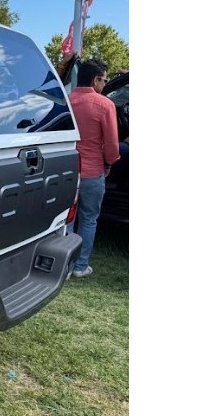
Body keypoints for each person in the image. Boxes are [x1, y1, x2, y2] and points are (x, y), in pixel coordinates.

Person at [67, 59, 120, 277]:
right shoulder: (104, 104)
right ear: (95, 79)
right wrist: (109, 162)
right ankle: (80, 266)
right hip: (92, 171)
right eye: (105, 79)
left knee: (67, 220)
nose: (105, 84)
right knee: (89, 219)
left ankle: (65, 266)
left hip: (67, 171)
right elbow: (111, 145)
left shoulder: (66, 100)